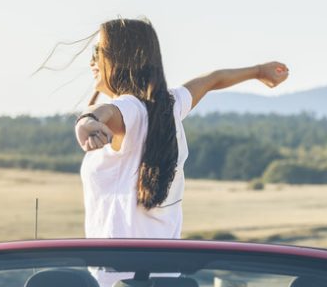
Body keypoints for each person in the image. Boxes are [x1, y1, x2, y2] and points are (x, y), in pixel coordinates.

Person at [75, 18, 288, 241]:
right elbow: (213, 79)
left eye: (98, 51)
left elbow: (106, 111)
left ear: (122, 57)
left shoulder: (129, 108)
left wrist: (87, 121)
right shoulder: (169, 105)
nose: (92, 61)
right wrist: (259, 71)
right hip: (166, 266)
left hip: (116, 271)